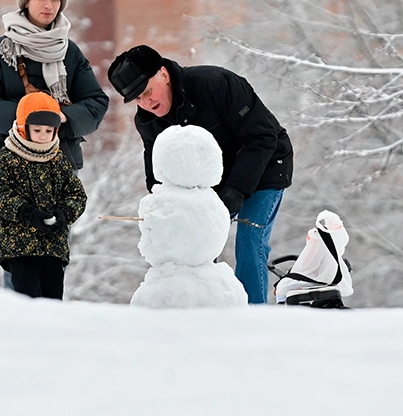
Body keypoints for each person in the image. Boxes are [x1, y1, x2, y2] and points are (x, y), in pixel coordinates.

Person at [107, 44, 293, 304]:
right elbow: (159, 172)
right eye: (137, 99)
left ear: (163, 74)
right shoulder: (148, 121)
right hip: (211, 186)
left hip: (265, 164)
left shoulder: (216, 84)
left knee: (249, 240)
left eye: (147, 92)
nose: (146, 103)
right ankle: (204, 314)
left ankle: (253, 314)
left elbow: (262, 136)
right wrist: (162, 208)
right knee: (196, 247)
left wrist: (237, 188)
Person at [0, 0, 108, 288]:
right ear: (25, 1)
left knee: (53, 264)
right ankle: (20, 330)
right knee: (18, 264)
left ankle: (50, 331)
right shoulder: (1, 50)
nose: (48, 5)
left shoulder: (69, 52)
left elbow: (97, 103)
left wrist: (62, 119)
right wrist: (28, 115)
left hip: (58, 169)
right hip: (10, 170)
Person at [0, 92, 87, 299]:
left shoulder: (58, 160)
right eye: (37, 129)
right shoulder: (9, 158)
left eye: (48, 130)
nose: (42, 135)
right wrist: (27, 213)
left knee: (53, 299)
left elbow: (76, 194)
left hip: (53, 248)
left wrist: (64, 213)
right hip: (20, 247)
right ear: (23, 127)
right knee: (26, 299)